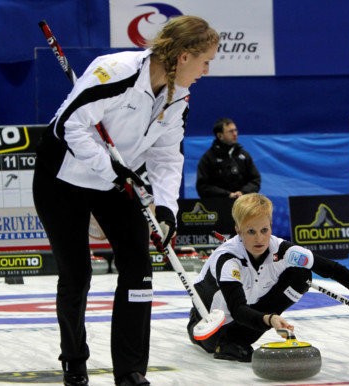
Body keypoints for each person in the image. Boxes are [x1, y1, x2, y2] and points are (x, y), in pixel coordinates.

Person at [32, 16, 219, 386]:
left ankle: (130, 371)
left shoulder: (177, 94)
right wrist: (113, 171)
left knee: (138, 269)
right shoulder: (114, 71)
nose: (207, 70)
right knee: (77, 274)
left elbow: (167, 156)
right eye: (205, 61)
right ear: (184, 56)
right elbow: (68, 126)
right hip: (63, 177)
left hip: (118, 180)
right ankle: (74, 361)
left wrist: (166, 209)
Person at [186, 193, 349, 361]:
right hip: (209, 323)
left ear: (271, 225)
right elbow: (237, 310)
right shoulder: (228, 260)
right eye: (251, 231)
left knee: (301, 274)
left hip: (248, 316)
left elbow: (333, 269)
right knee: (221, 346)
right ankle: (226, 342)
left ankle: (240, 338)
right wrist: (270, 319)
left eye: (264, 230)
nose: (259, 238)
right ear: (238, 230)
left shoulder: (283, 249)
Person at [196, 118, 261, 199]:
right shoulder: (208, 158)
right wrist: (227, 194)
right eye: (230, 131)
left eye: (235, 130)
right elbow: (203, 187)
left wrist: (243, 192)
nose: (235, 134)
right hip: (218, 206)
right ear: (220, 136)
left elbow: (255, 180)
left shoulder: (244, 155)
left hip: (242, 204)